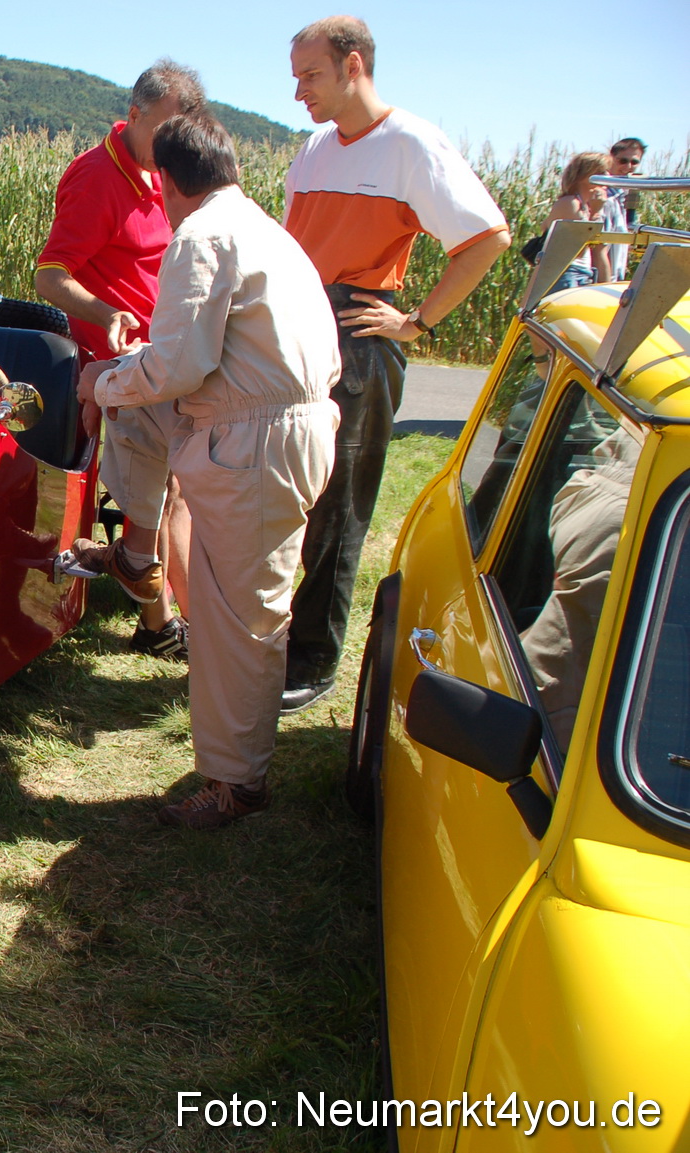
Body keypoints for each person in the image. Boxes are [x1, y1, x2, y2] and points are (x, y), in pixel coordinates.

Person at [78, 113, 341, 829]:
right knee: (242, 603)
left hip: (254, 440)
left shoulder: (201, 238)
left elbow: (176, 365)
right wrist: (118, 386)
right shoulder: (265, 231)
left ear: (166, 181)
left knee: (239, 618)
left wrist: (100, 381)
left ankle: (237, 783)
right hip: (276, 426)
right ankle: (139, 551)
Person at [280, 15, 511, 712]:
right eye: (295, 78)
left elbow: (487, 237)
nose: (299, 92)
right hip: (300, 328)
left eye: (311, 75)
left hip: (358, 335)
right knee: (292, 488)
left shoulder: (412, 143)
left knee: (339, 504)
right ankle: (283, 637)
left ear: (354, 66)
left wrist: (416, 323)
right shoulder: (314, 147)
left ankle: (313, 658)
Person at [36, 59, 203, 659]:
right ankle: (168, 626)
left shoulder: (161, 172)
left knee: (171, 492)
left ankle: (169, 620)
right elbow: (50, 275)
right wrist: (106, 314)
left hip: (163, 362)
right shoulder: (97, 177)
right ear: (135, 115)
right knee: (161, 496)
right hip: (118, 367)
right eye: (167, 129)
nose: (175, 143)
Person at [542, 152, 613, 293]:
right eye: (600, 172)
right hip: (568, 273)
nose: (607, 176)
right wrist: (595, 213)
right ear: (583, 175)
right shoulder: (570, 203)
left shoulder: (584, 205)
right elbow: (578, 249)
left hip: (581, 272)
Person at [601, 137, 645, 279]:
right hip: (600, 277)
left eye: (634, 162)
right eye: (623, 161)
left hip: (615, 272)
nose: (628, 167)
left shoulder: (624, 194)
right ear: (611, 158)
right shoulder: (602, 193)